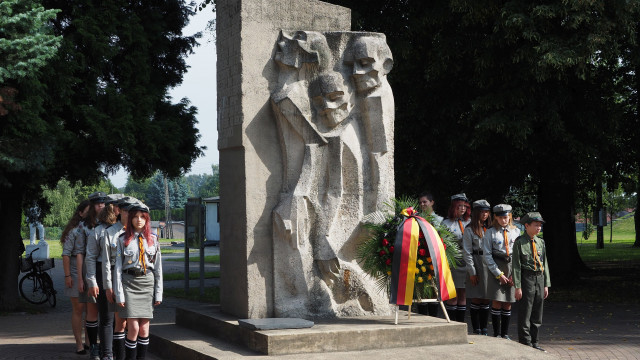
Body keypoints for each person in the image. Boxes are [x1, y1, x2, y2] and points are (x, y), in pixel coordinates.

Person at [114, 202, 162, 360]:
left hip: (147, 282)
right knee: (133, 327)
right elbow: (118, 269)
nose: (139, 220)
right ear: (130, 219)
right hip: (129, 283)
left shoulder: (153, 239)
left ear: (147, 219)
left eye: (142, 217)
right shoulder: (122, 239)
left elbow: (158, 268)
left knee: (144, 329)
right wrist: (119, 294)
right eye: (135, 217)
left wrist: (158, 292)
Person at [86, 194, 123, 360]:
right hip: (103, 273)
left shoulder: (123, 228)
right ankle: (107, 352)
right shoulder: (98, 230)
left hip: (121, 273)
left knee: (121, 317)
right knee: (107, 317)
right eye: (118, 206)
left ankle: (117, 350)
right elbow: (91, 257)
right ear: (112, 208)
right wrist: (92, 281)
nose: (121, 209)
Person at [513, 212, 551, 352]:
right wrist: (518, 286)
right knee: (526, 312)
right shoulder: (519, 242)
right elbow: (516, 266)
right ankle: (525, 343)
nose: (538, 228)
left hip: (539, 278)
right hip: (526, 278)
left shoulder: (541, 242)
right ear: (527, 225)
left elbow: (545, 263)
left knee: (537, 312)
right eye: (536, 225)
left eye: (540, 225)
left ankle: (535, 342)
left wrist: (546, 284)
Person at [482, 204, 520, 339]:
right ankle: (497, 333)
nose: (505, 220)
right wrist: (498, 274)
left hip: (511, 267)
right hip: (496, 266)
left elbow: (518, 254)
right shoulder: (490, 232)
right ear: (496, 218)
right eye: (502, 217)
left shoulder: (516, 231)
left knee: (508, 301)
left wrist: (514, 275)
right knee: (497, 300)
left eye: (507, 217)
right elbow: (487, 255)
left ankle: (505, 333)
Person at [105, 197, 137, 360]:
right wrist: (108, 286)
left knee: (134, 322)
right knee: (121, 322)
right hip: (117, 280)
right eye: (125, 211)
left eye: (130, 211)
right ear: (119, 211)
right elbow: (106, 263)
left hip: (134, 282)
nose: (128, 214)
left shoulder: (136, 233)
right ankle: (119, 356)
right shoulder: (110, 232)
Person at [61, 199, 91, 355]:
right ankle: (79, 344)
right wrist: (67, 276)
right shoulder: (74, 231)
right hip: (74, 271)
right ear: (80, 213)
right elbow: (66, 255)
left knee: (90, 309)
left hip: (89, 271)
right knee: (79, 308)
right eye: (87, 210)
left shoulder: (93, 229)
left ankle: (88, 341)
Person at [82, 191, 107, 360]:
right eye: (97, 203)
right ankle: (93, 346)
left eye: (103, 203)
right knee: (92, 309)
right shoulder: (85, 226)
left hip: (106, 271)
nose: (101, 206)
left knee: (107, 313)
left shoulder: (113, 223)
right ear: (92, 206)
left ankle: (107, 346)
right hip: (90, 270)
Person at [462, 200, 492, 335]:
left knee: (486, 297)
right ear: (475, 213)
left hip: (489, 263)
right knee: (476, 297)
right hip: (476, 261)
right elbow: (467, 252)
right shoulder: (469, 229)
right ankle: (476, 328)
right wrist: (472, 272)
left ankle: (484, 328)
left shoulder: (490, 228)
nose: (484, 214)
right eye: (481, 211)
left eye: (486, 211)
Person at [441, 193, 471, 322]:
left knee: (463, 293)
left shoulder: (470, 223)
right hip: (453, 261)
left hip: (467, 262)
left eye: (465, 206)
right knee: (453, 294)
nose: (463, 208)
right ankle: (451, 322)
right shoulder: (446, 223)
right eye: (460, 206)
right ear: (454, 207)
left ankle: (461, 322)